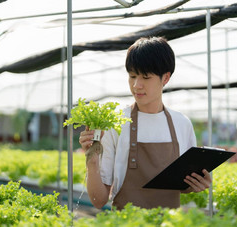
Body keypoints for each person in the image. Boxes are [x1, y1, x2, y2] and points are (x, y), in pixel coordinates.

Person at [79, 36, 212, 210]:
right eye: (132, 76)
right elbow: (98, 200)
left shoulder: (182, 124)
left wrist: (197, 183)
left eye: (145, 77)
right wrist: (92, 160)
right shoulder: (115, 124)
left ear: (165, 78)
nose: (136, 85)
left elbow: (184, 185)